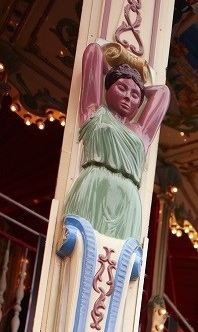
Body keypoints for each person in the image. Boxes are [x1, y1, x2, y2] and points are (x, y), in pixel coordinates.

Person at [64, 41, 170, 239]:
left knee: (120, 259)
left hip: (128, 197)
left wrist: (139, 83)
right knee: (83, 245)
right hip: (95, 185)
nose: (128, 97)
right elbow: (94, 52)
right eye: (121, 88)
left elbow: (163, 93)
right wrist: (114, 68)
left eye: (135, 95)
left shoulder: (141, 131)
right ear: (107, 89)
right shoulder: (94, 113)